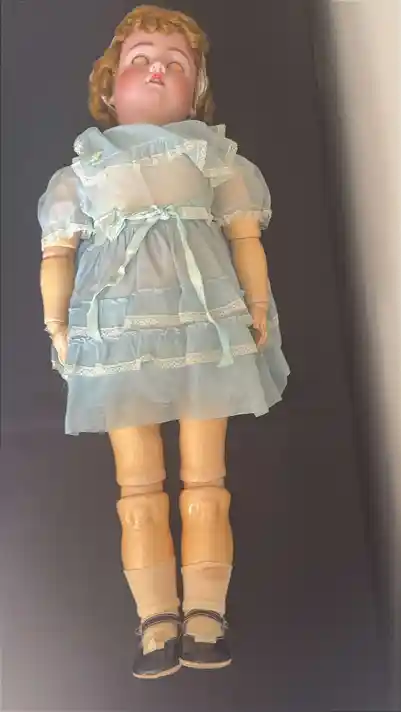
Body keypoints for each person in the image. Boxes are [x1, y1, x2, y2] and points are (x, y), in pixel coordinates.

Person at [38, 4, 290, 679]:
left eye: (176, 64)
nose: (157, 69)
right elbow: (57, 254)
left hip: (205, 325)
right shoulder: (82, 171)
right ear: (109, 82)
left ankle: (206, 613)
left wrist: (257, 306)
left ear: (197, 89)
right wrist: (58, 327)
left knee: (207, 477)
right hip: (118, 334)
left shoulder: (213, 158)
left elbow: (245, 238)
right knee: (137, 486)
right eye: (141, 59)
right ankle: (155, 618)